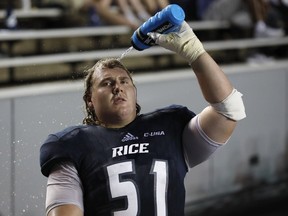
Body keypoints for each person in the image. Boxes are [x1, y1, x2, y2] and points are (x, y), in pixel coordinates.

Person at [39, 20, 246, 216]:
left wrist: (194, 51)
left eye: (124, 81)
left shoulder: (170, 126)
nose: (118, 87)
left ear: (134, 91)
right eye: (106, 83)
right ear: (89, 100)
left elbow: (229, 110)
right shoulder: (73, 145)